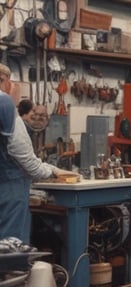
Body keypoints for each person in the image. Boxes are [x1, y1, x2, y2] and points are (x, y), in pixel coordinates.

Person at [0, 63, 78, 243]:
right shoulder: (7, 108)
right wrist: (54, 171)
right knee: (11, 252)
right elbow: (28, 163)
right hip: (9, 193)